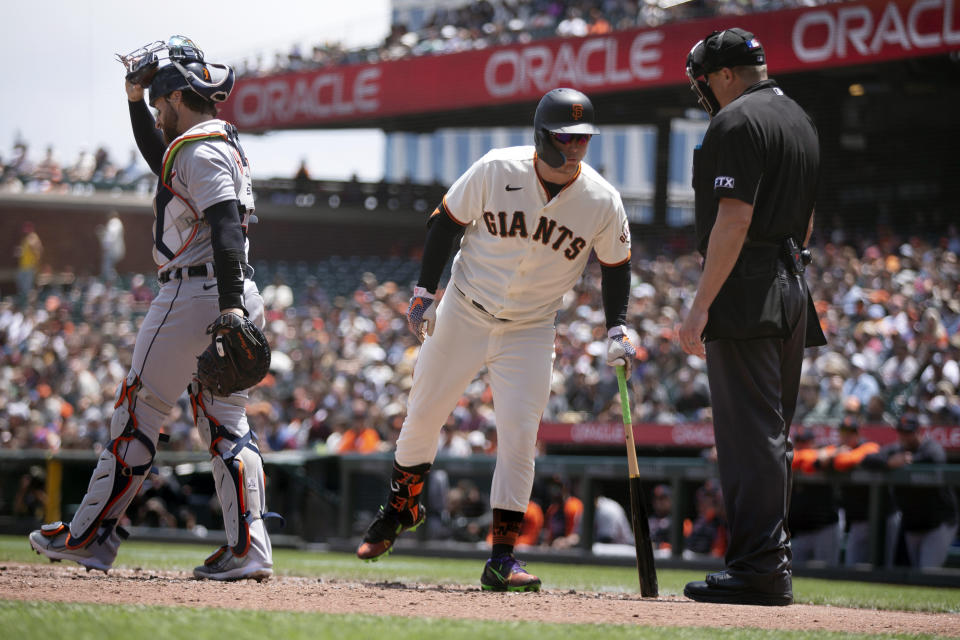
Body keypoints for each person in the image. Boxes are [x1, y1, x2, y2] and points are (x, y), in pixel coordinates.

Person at [355, 87, 635, 593]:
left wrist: (616, 325)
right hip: (465, 307)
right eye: (566, 137)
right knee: (423, 413)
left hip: (531, 327)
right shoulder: (496, 168)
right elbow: (445, 223)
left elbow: (617, 265)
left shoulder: (601, 199)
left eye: (583, 139)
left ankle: (502, 557)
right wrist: (424, 292)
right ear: (543, 136)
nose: (575, 147)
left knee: (520, 438)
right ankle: (401, 508)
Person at [29, 35, 278, 581]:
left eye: (160, 106)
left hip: (198, 295)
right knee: (227, 423)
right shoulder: (212, 142)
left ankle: (90, 538)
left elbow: (227, 227)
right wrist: (133, 100)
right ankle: (249, 547)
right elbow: (159, 156)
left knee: (138, 415)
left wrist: (230, 309)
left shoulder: (202, 149)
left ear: (176, 100)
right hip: (229, 290)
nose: (158, 116)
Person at [678, 28, 825, 606]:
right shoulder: (800, 119)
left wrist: (700, 304)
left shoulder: (737, 121)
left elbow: (733, 220)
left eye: (704, 81)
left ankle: (759, 570)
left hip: (748, 287)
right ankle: (767, 564)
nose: (703, 93)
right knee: (772, 435)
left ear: (726, 76)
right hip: (792, 282)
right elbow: (806, 219)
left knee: (750, 438)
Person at [862, 413, 959, 568]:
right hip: (912, 523)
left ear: (918, 432)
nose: (904, 436)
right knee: (917, 571)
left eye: (908, 432)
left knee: (927, 571)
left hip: (939, 522)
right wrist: (889, 463)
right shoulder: (895, 450)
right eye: (901, 431)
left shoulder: (929, 447)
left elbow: (937, 458)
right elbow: (867, 460)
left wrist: (908, 461)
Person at [829, 416, 880, 565]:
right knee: (854, 562)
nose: (846, 436)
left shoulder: (867, 446)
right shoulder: (837, 449)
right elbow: (817, 460)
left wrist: (840, 455)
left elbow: (845, 461)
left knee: (883, 562)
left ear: (857, 433)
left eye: (850, 432)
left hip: (881, 517)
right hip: (858, 520)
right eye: (843, 432)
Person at [15, 222, 43, 301]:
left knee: (27, 287)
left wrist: (35, 262)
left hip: (29, 266)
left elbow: (38, 249)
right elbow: (24, 251)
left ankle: (28, 304)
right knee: (20, 283)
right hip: (23, 266)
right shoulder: (25, 238)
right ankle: (24, 301)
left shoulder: (33, 237)